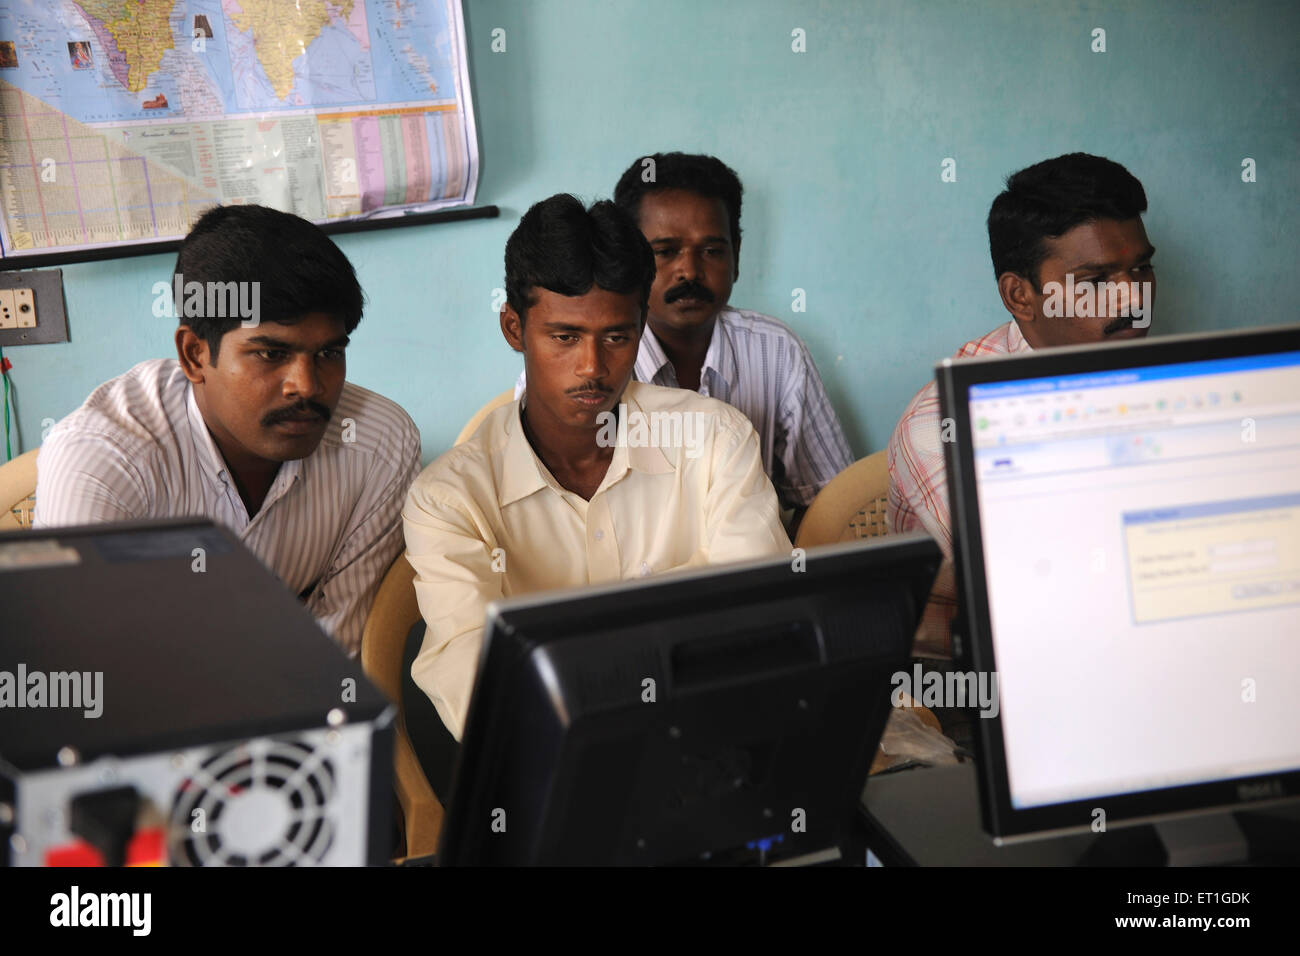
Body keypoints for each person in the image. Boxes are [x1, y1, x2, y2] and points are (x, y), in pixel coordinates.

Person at [404, 194, 791, 740]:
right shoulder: (448, 499)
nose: (593, 367)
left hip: (708, 743)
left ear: (640, 329)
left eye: (616, 336)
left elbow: (757, 624)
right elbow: (478, 685)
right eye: (564, 337)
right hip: (554, 764)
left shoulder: (714, 439)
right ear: (514, 329)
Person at [36, 204, 421, 656]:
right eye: (271, 354)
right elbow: (86, 669)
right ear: (195, 355)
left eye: (328, 353)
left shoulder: (379, 445)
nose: (307, 386)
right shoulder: (104, 462)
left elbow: (338, 658)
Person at [888, 153, 1156, 661]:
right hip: (982, 694)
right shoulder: (943, 425)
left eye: (1141, 268)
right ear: (1020, 296)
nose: (1132, 301)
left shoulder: (1164, 380)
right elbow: (1046, 603)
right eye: (1095, 282)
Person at [517, 153, 853, 522]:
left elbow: (831, 500)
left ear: (736, 254)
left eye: (711, 251)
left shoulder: (776, 350)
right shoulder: (577, 372)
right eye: (665, 252)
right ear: (629, 261)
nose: (689, 271)